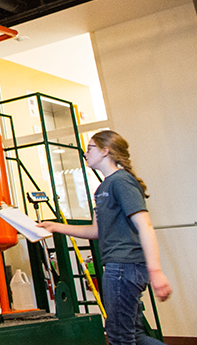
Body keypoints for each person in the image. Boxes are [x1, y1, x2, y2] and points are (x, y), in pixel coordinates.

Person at [38, 130, 172, 345]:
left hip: (124, 266)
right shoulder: (102, 188)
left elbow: (145, 225)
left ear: (105, 151)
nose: (85, 153)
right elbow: (95, 231)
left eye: (90, 148)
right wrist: (56, 227)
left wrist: (156, 271)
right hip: (117, 266)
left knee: (120, 337)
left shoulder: (121, 182)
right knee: (133, 335)